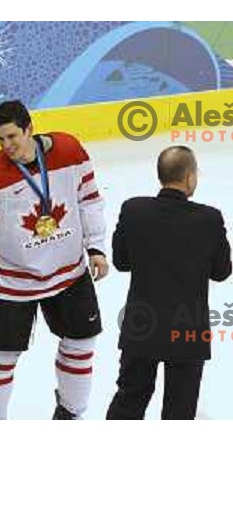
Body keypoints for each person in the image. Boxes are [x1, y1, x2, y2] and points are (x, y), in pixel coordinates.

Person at [0, 100, 108, 420]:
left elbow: (89, 199)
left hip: (68, 273)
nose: (6, 145)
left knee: (81, 342)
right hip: (12, 281)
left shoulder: (70, 150)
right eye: (0, 139)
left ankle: (71, 413)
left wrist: (96, 247)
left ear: (29, 129)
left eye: (12, 136)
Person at [107, 146, 232, 420]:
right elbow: (222, 272)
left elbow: (121, 262)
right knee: (180, 409)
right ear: (189, 178)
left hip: (141, 326)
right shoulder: (210, 218)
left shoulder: (133, 209)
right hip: (188, 330)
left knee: (129, 400)